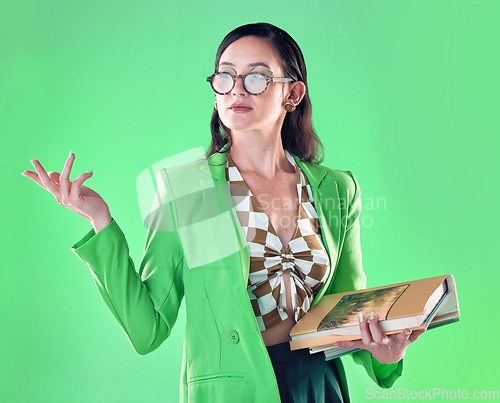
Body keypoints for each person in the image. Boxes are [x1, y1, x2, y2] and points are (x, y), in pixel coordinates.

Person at [22, 22, 423, 403]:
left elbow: (345, 303)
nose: (236, 90)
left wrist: (385, 355)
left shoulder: (337, 188)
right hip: (235, 389)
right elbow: (148, 328)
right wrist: (100, 222)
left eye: (256, 77)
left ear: (293, 94)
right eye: (225, 76)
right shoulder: (188, 187)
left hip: (318, 384)